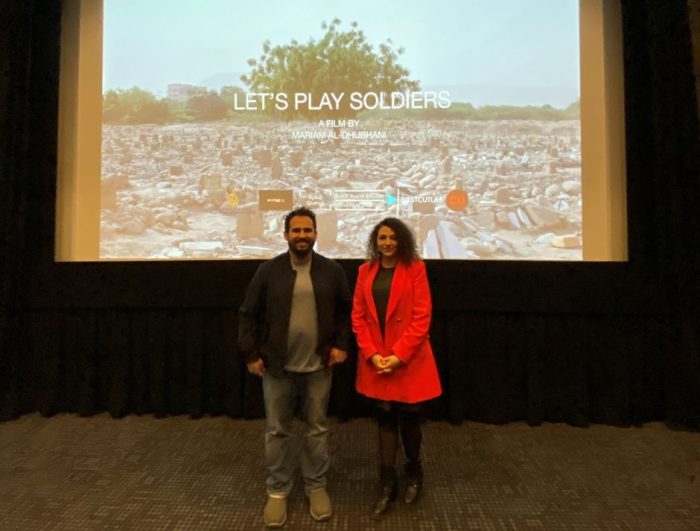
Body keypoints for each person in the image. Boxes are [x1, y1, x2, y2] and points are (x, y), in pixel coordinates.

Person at [238, 207, 351, 528]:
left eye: (308, 230)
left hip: (319, 364)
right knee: (277, 430)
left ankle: (316, 486)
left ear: (316, 234)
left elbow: (345, 312)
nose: (302, 235)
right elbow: (248, 313)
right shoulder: (268, 271)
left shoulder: (332, 271)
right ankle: (277, 491)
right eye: (296, 230)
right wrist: (250, 354)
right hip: (277, 366)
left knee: (317, 429)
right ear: (285, 234)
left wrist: (341, 345)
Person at [351, 217, 442, 516]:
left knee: (410, 419)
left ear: (401, 240)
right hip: (377, 360)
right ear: (374, 242)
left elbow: (421, 317)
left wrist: (399, 355)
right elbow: (358, 317)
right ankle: (387, 481)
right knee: (385, 418)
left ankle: (414, 471)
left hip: (408, 360)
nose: (387, 243)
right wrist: (372, 354)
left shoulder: (416, 269)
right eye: (381, 238)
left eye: (392, 237)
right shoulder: (365, 271)